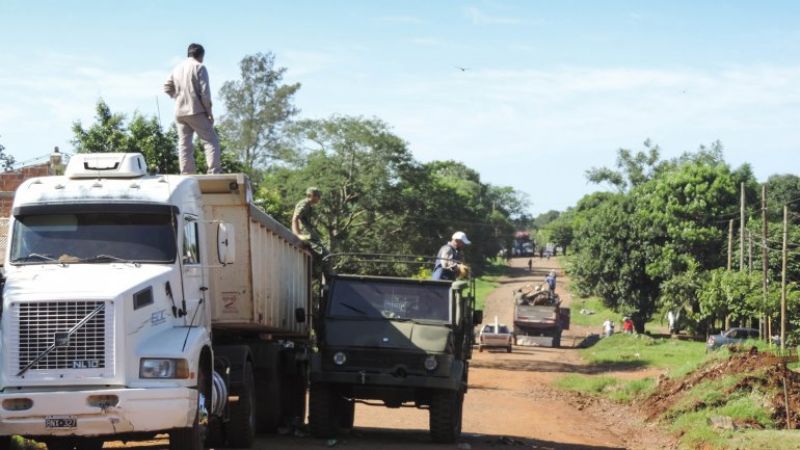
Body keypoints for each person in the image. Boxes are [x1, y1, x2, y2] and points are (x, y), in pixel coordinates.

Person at [164, 43, 221, 174]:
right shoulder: (199, 67)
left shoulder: (177, 68)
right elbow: (205, 94)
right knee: (210, 140)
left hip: (179, 112)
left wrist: (177, 96)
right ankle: (214, 172)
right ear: (201, 55)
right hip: (195, 110)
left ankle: (187, 174)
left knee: (184, 145)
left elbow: (167, 86)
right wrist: (209, 113)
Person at [292, 187, 327, 256]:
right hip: (305, 234)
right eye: (318, 196)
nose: (319, 198)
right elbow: (295, 218)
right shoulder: (304, 204)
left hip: (309, 234)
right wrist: (297, 235)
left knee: (322, 251)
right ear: (311, 195)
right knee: (323, 254)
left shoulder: (309, 206)